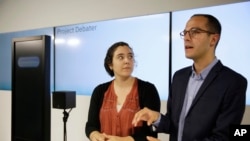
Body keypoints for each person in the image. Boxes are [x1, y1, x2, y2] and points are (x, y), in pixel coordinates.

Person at [132, 14, 247, 141]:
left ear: (213, 39)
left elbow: (223, 137)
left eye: (195, 32)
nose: (186, 37)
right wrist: (157, 118)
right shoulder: (179, 77)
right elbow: (174, 125)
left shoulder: (233, 82)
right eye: (185, 32)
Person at [85, 41, 161, 141]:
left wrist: (123, 140)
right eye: (120, 57)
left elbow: (151, 133)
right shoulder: (100, 91)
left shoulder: (148, 90)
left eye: (130, 57)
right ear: (110, 64)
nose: (127, 61)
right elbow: (91, 125)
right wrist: (94, 134)